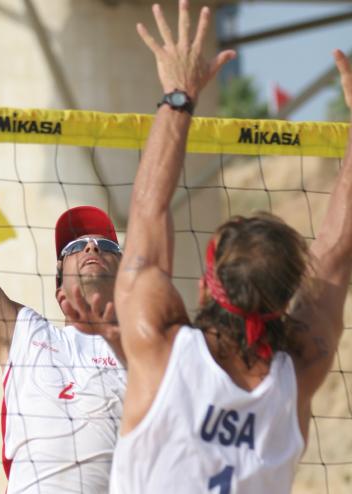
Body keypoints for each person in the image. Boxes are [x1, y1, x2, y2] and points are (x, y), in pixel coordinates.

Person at [110, 1, 352, 493]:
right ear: (286, 300)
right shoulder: (300, 370)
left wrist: (179, 94)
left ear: (208, 284)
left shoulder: (159, 347)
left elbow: (147, 212)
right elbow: (336, 251)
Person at [0, 84, 127, 492]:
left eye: (105, 246)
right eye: (74, 247)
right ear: (60, 293)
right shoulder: (27, 334)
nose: (90, 246)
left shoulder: (147, 350)